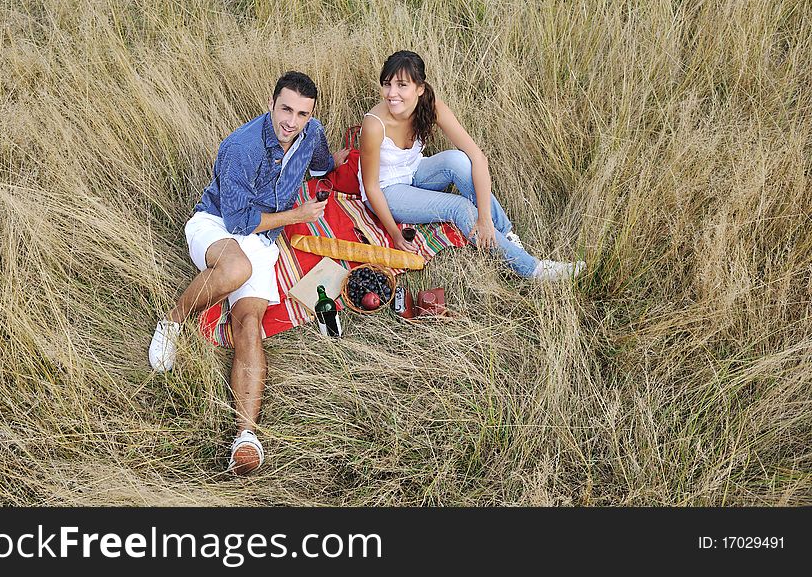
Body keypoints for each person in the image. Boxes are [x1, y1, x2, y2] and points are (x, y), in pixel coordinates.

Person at [147, 71, 350, 475]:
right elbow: (238, 220)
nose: (291, 121)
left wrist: (335, 163)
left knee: (250, 324)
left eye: (302, 113)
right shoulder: (241, 147)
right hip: (218, 224)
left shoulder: (311, 133)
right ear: (272, 103)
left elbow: (321, 162)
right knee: (236, 268)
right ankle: (172, 321)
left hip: (263, 239)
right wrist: (297, 215)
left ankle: (246, 434)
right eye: (285, 109)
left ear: (311, 115)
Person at [359, 50, 585, 281]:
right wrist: (395, 234)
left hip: (415, 170)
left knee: (459, 160)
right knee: (459, 207)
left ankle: (505, 234)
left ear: (420, 88)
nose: (392, 93)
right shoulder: (374, 125)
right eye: (387, 84)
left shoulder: (430, 105)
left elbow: (478, 157)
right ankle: (533, 270)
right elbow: (371, 187)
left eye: (402, 85)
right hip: (388, 191)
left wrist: (485, 217)